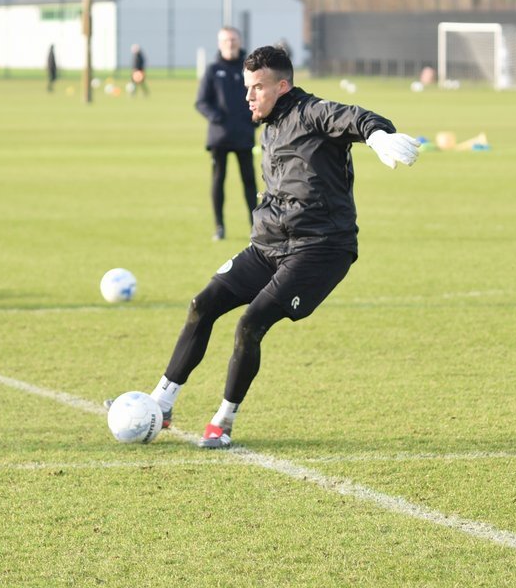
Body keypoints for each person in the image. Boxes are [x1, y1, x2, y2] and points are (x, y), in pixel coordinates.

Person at [141, 45, 419, 448]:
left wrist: (377, 135)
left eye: (257, 87)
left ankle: (223, 422)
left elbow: (355, 117)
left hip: (320, 249)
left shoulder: (313, 113)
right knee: (203, 305)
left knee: (250, 324)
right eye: (247, 87)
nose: (248, 96)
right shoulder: (269, 126)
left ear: (283, 86)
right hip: (268, 246)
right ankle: (161, 402)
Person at [195, 26, 257, 241]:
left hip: (244, 135)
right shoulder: (213, 70)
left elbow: (260, 96)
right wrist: (217, 117)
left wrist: (254, 119)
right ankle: (219, 227)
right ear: (220, 44)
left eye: (233, 39)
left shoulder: (250, 68)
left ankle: (256, 227)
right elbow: (201, 102)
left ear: (240, 41)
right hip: (219, 137)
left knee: (249, 182)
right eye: (226, 40)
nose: (230, 44)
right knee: (218, 180)